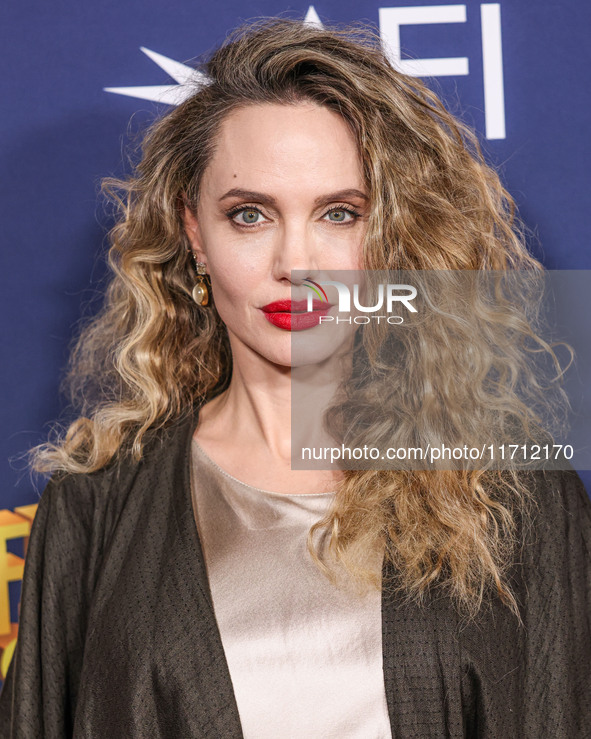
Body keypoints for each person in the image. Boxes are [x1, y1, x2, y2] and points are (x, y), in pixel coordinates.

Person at [1, 16, 590, 739]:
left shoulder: (513, 490)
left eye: (339, 213)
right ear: (194, 233)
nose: (295, 260)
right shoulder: (96, 507)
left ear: (392, 234)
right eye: (249, 215)